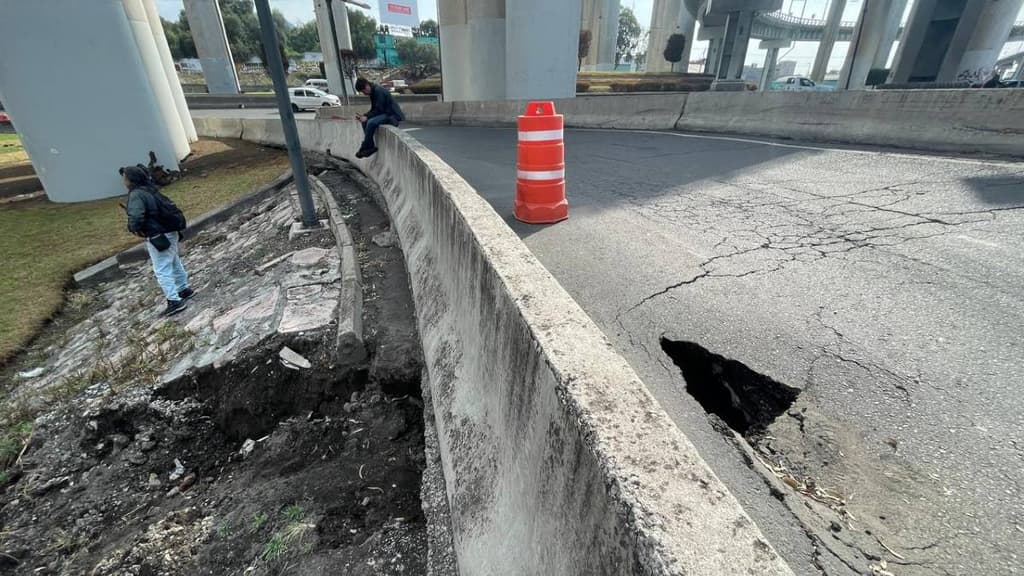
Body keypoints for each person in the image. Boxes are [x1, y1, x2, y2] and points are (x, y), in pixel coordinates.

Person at [121, 165, 194, 317]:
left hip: (157, 235)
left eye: (125, 177)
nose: (124, 180)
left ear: (130, 179)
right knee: (173, 261)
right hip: (170, 231)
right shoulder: (150, 190)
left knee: (161, 269)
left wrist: (133, 228)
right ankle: (183, 289)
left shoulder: (136, 195)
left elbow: (136, 217)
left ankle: (174, 301)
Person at [355, 77, 404, 158]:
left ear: (367, 86)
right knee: (365, 122)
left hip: (391, 115)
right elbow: (374, 109)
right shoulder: (373, 92)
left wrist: (367, 117)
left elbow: (379, 109)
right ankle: (370, 147)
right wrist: (365, 116)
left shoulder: (378, 91)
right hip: (384, 113)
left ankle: (365, 146)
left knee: (371, 122)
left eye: (364, 91)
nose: (364, 94)